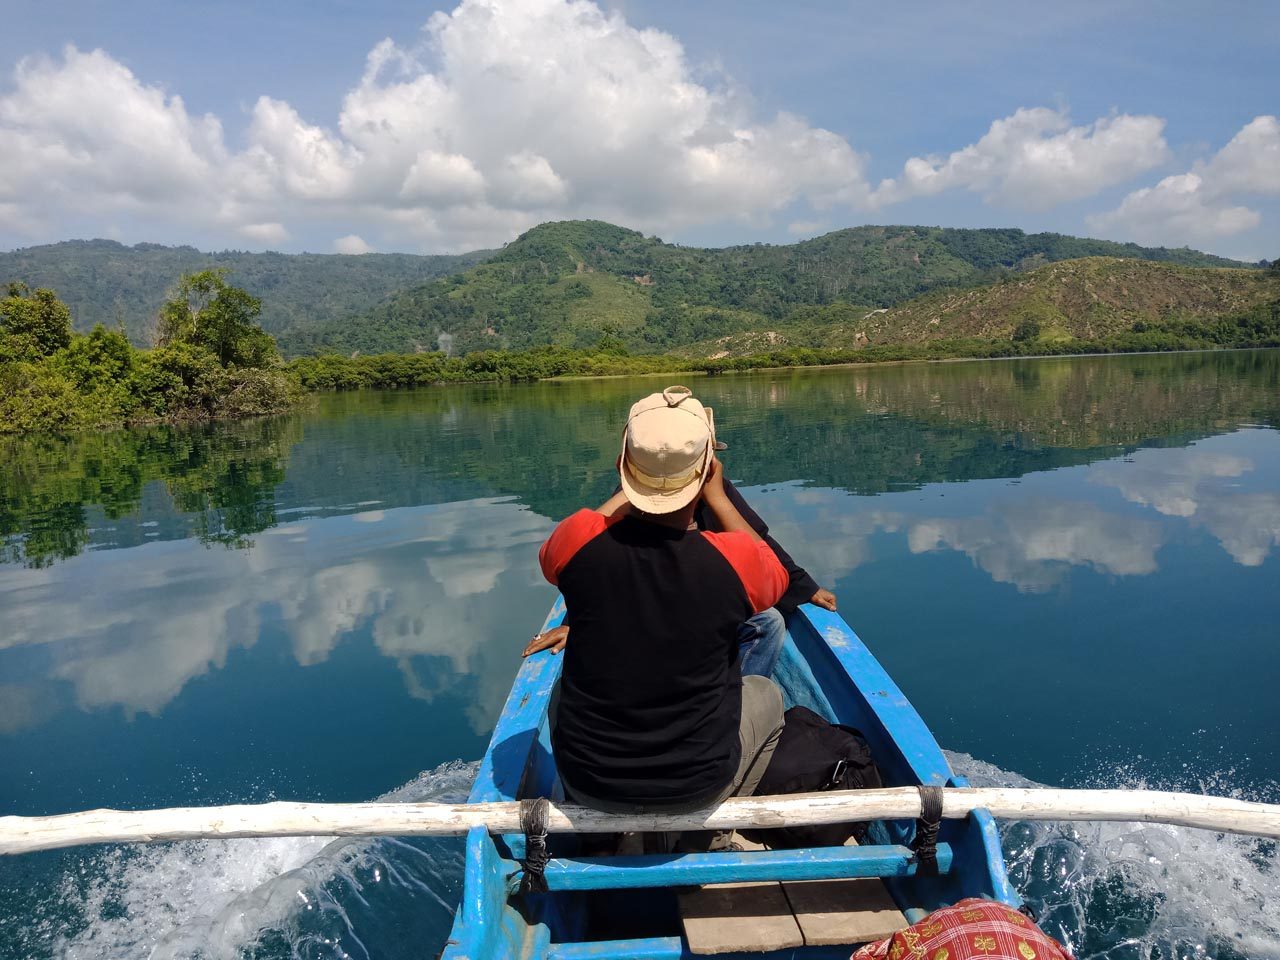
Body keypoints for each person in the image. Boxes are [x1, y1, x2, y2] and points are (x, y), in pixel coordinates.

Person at [535, 386, 789, 833]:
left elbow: (572, 541)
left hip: (591, 782)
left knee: (558, 694)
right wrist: (718, 496)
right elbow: (775, 574)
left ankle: (593, 825)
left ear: (622, 465)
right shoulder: (736, 562)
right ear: (709, 468)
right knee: (767, 695)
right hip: (698, 786)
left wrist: (632, 487)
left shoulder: (576, 542)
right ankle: (716, 832)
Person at [527, 430, 838, 680]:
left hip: (673, 605)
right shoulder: (727, 546)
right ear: (708, 465)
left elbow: (577, 555)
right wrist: (579, 623)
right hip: (660, 604)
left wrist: (806, 587)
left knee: (765, 619)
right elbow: (765, 562)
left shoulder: (583, 533)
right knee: (768, 625)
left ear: (625, 465)